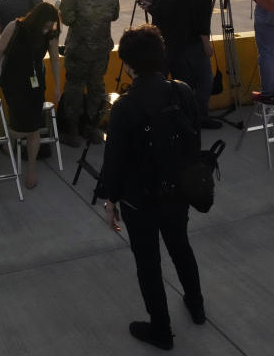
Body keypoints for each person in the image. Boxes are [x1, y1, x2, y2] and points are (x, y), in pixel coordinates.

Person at [96, 25, 205, 350]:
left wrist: (110, 200)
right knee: (181, 247)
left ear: (128, 64)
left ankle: (161, 329)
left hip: (139, 200)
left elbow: (114, 159)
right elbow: (193, 139)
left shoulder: (125, 106)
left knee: (148, 263)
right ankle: (196, 306)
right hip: (177, 192)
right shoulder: (182, 91)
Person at [139, 0, 220, 127]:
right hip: (186, 41)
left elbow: (164, 13)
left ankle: (183, 118)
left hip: (173, 43)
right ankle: (194, 117)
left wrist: (150, 7)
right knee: (192, 82)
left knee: (181, 84)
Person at [0, 2, 62, 188]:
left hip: (35, 84)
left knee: (34, 127)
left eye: (51, 25)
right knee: (21, 127)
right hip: (13, 83)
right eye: (45, 24)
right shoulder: (15, 27)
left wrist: (58, 86)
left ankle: (31, 170)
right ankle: (9, 137)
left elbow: (54, 59)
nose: (48, 28)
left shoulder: (50, 33)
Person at [58, 0, 120, 146]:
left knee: (74, 89)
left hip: (78, 49)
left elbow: (67, 18)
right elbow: (115, 15)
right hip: (101, 49)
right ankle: (92, 129)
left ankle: (73, 132)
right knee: (96, 87)